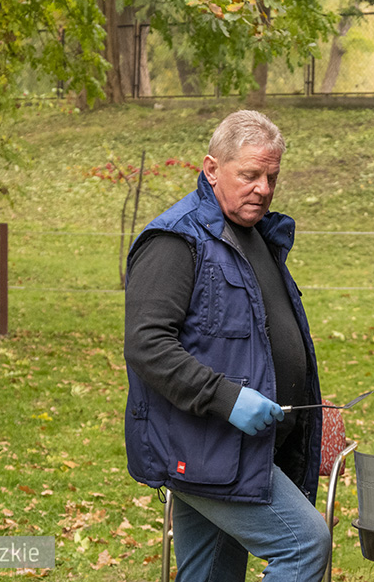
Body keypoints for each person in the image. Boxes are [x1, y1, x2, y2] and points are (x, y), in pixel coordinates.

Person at [123, 109, 331, 582]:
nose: (263, 188)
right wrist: (229, 399)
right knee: (304, 545)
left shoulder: (254, 234)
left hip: (241, 447)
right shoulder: (176, 239)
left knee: (211, 573)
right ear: (212, 169)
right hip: (204, 444)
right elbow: (147, 344)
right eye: (250, 175)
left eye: (271, 177)